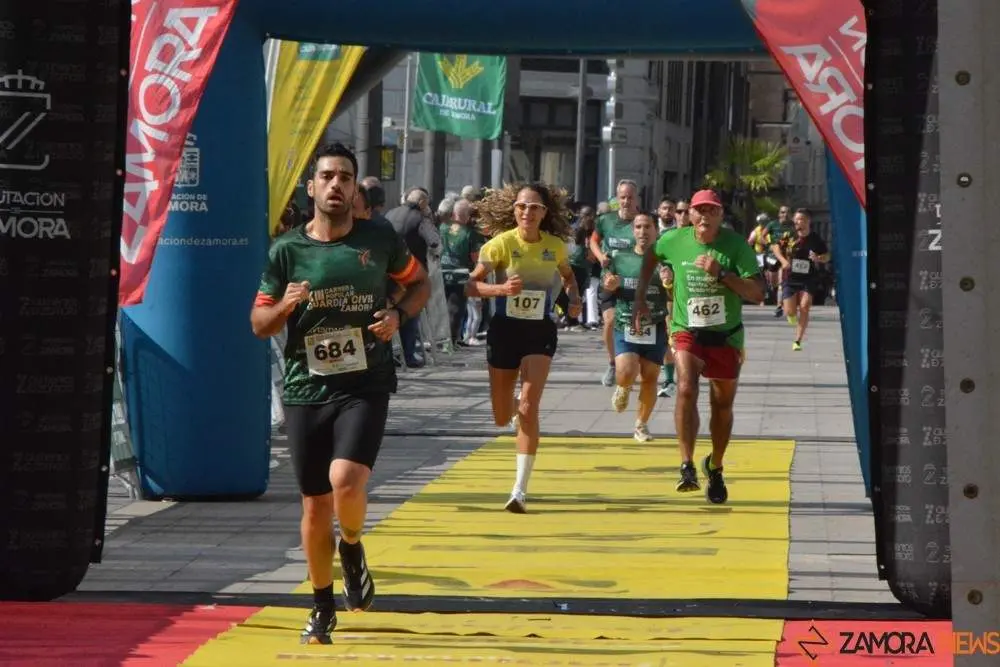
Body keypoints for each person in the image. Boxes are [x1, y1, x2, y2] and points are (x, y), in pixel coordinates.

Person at [250, 143, 430, 644]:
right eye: (327, 176)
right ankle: (322, 605)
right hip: (306, 387)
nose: (336, 185)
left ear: (354, 190)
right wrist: (284, 306)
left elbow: (419, 285)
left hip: (365, 381)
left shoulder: (379, 238)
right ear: (312, 188)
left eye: (345, 178)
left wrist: (398, 315)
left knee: (345, 481)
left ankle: (351, 544)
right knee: (313, 506)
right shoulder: (287, 250)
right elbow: (258, 324)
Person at [634, 190, 763, 504]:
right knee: (686, 388)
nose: (705, 216)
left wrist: (722, 274)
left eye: (712, 211)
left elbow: (758, 293)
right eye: (699, 211)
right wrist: (640, 298)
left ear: (721, 215)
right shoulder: (674, 240)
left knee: (722, 406)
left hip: (726, 335)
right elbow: (650, 256)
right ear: (689, 214)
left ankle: (715, 466)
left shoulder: (735, 246)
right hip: (686, 330)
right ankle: (687, 464)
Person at [465, 182, 580, 513]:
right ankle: (513, 408)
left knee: (529, 407)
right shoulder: (500, 244)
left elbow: (569, 279)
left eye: (534, 207)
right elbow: (470, 287)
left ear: (545, 213)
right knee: (503, 415)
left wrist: (572, 300)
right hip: (505, 332)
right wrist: (499, 289)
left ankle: (519, 490)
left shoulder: (555, 246)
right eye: (522, 207)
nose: (527, 212)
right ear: (513, 210)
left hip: (539, 332)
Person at [603, 213, 669, 442]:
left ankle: (641, 425)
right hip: (626, 322)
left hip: (656, 324)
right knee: (627, 370)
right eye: (638, 227)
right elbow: (607, 282)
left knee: (650, 377)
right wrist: (610, 285)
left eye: (647, 227)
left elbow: (674, 292)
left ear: (656, 230)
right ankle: (623, 385)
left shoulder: (666, 260)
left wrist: (669, 282)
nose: (643, 232)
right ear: (633, 232)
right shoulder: (620, 258)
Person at [589, 179, 639, 387]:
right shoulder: (605, 220)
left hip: (634, 281)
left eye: (630, 197)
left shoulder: (643, 221)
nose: (626, 201)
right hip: (609, 279)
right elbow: (593, 241)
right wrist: (600, 256)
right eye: (622, 197)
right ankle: (612, 363)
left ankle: (638, 361)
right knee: (609, 321)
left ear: (636, 199)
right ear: (617, 199)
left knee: (636, 323)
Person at [769, 208, 830, 351]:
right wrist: (783, 261)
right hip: (790, 278)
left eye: (800, 219)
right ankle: (791, 315)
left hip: (808, 277)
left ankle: (797, 341)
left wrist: (819, 258)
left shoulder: (815, 239)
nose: (797, 222)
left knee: (805, 306)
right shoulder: (789, 235)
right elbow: (775, 247)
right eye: (795, 219)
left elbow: (827, 255)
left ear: (808, 221)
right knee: (790, 312)